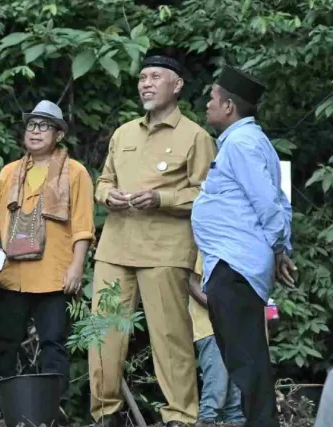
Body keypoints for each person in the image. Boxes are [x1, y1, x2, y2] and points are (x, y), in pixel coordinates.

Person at [90, 49, 216, 427]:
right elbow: (104, 180)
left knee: (170, 338)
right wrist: (105, 194)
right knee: (103, 335)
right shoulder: (123, 132)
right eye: (142, 77)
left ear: (176, 86)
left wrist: (163, 198)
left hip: (166, 251)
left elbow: (208, 196)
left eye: (155, 77)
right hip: (115, 247)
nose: (145, 83)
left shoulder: (196, 136)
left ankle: (180, 416)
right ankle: (106, 413)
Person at [192, 65, 295, 427]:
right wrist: (280, 250)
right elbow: (281, 201)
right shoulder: (249, 142)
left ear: (229, 107)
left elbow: (269, 203)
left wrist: (277, 246)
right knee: (244, 358)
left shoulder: (241, 144)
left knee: (247, 361)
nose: (207, 104)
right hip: (232, 264)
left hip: (235, 265)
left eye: (212, 98)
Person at [0, 100, 95, 415]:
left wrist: (76, 267)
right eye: (32, 124)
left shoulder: (75, 173)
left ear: (59, 134)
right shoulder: (9, 172)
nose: (35, 131)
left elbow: (84, 225)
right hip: (11, 276)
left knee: (53, 346)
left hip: (54, 277)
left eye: (44, 125)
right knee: (3, 344)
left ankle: (55, 411)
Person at [188, 252, 245, 426]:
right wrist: (220, 309)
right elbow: (191, 283)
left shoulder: (243, 247)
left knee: (236, 397)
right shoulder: (207, 244)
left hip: (238, 329)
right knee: (215, 389)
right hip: (210, 327)